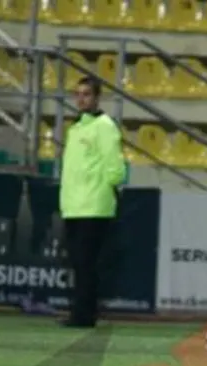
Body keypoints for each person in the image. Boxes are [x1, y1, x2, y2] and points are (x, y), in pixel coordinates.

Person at [59, 77, 127, 329]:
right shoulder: (76, 128)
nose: (81, 99)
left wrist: (109, 186)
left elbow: (115, 165)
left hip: (94, 204)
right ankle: (81, 311)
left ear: (97, 98)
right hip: (74, 205)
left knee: (86, 262)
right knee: (79, 263)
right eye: (78, 94)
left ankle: (84, 315)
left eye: (86, 94)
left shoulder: (104, 126)